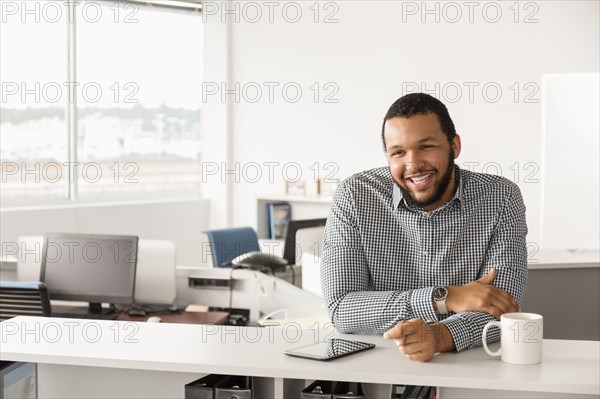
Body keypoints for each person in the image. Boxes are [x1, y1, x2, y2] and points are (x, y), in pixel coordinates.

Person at [320, 93, 528, 362]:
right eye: (398, 152)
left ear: (454, 145)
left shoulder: (501, 197)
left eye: (426, 147)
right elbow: (342, 308)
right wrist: (444, 297)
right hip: (375, 362)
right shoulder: (354, 195)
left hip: (467, 366)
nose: (413, 164)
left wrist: (439, 336)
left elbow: (504, 309)